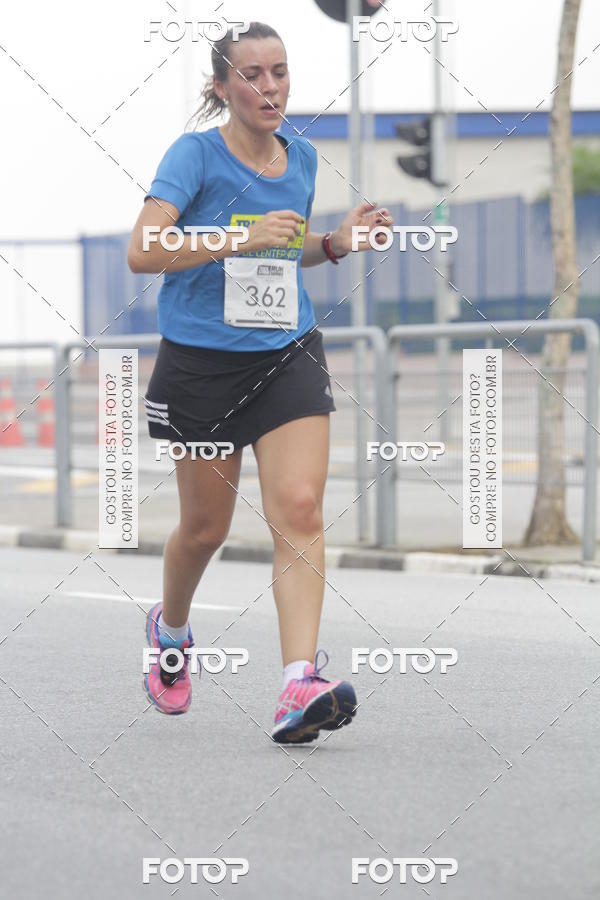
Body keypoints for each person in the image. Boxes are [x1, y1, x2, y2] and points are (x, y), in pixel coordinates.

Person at [127, 21, 392, 743]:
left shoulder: (300, 157)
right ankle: (172, 631)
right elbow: (144, 251)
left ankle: (295, 683)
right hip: (203, 365)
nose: (269, 86)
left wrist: (334, 243)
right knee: (204, 529)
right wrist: (236, 236)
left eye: (279, 71)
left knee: (301, 509)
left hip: (286, 352)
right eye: (252, 75)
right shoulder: (194, 156)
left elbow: (283, 247)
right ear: (222, 87)